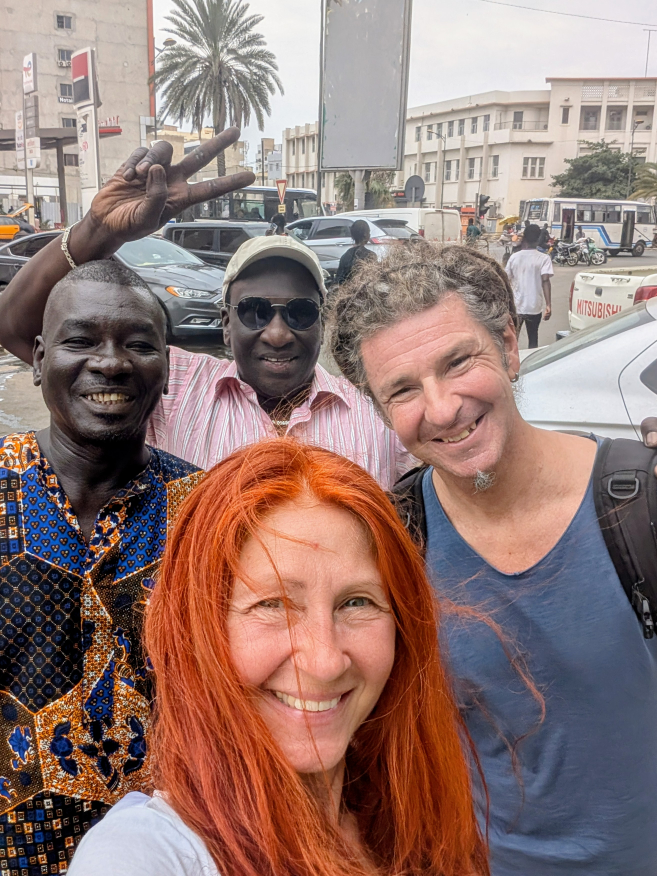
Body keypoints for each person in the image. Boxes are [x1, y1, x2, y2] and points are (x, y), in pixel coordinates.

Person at [329, 241, 657, 876]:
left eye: (458, 363)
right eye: (403, 390)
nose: (443, 408)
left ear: (509, 345)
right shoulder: (394, 542)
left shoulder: (641, 501)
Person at [67, 439, 488, 876]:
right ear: (197, 629)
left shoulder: (415, 812)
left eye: (356, 603)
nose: (325, 662)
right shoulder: (147, 853)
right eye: (272, 605)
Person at [0, 140, 413, 489]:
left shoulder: (377, 414)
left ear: (321, 323)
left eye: (301, 313)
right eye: (253, 311)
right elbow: (15, 326)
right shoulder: (174, 387)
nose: (278, 334)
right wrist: (99, 229)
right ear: (225, 325)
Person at [0, 259, 204, 873]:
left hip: (164, 851)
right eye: (81, 340)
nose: (111, 362)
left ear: (167, 371)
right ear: (37, 359)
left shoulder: (205, 513)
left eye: (139, 344)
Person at [505, 223, 552, 349]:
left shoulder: (514, 258)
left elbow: (506, 281)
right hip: (534, 306)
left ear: (524, 237)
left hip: (516, 306)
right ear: (538, 239)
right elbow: (545, 281)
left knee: (514, 338)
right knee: (533, 337)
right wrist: (548, 305)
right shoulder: (544, 258)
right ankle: (531, 366)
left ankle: (512, 366)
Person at [336, 219, 376, 284]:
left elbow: (338, 279)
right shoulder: (371, 256)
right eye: (369, 232)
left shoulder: (345, 256)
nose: (370, 234)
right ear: (366, 235)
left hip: (346, 291)